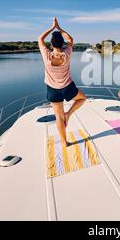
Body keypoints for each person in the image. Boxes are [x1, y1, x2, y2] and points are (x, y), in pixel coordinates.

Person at [38, 17, 86, 146]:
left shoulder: (46, 55)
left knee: (58, 117)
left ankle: (64, 142)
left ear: (52, 44)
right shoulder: (67, 54)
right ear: (62, 44)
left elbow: (40, 39)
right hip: (67, 87)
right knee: (82, 98)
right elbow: (71, 40)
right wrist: (59, 28)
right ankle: (69, 114)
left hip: (52, 90)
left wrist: (52, 27)